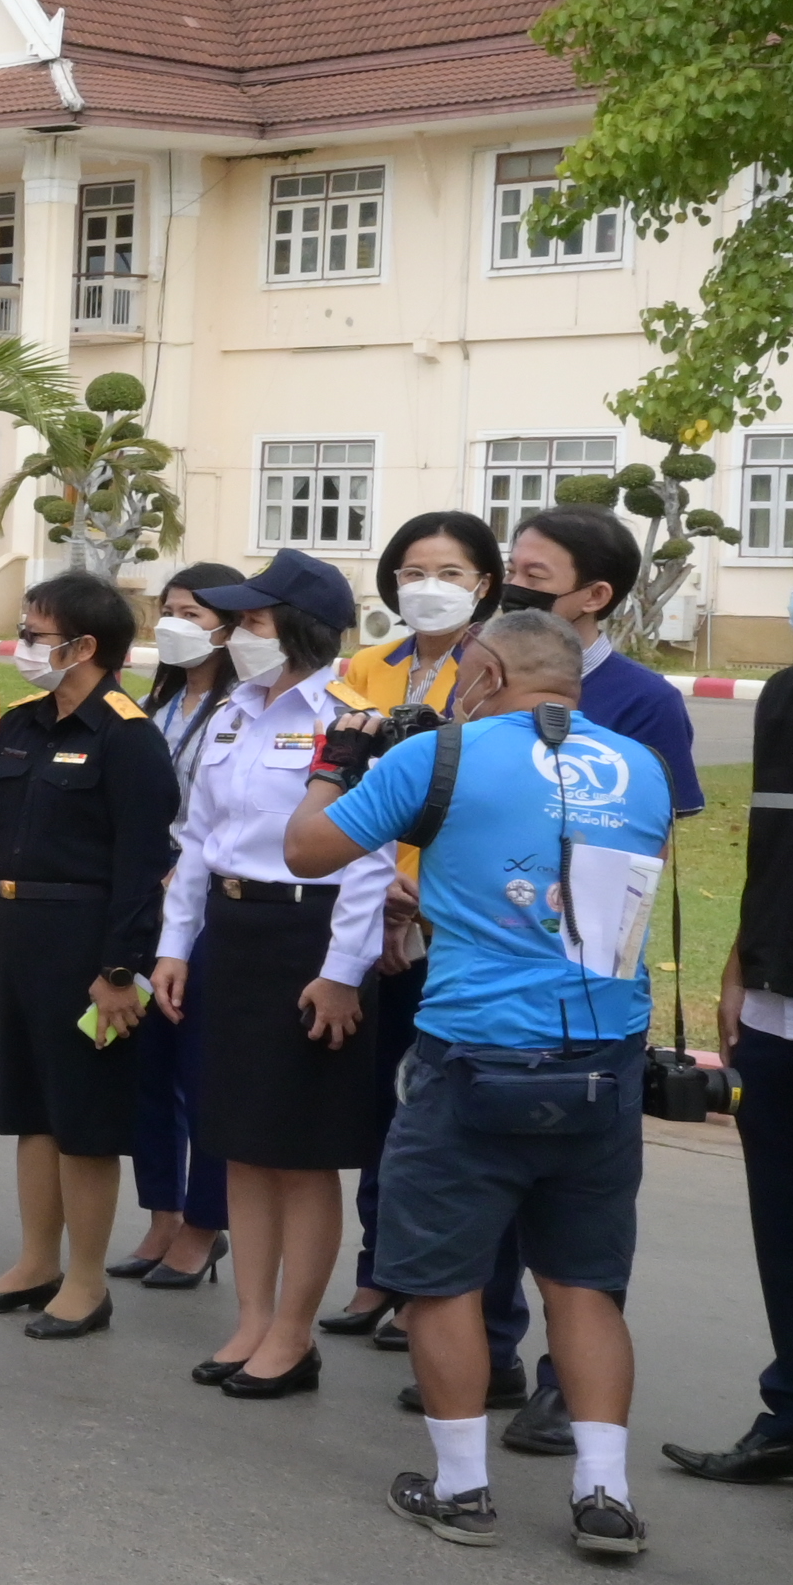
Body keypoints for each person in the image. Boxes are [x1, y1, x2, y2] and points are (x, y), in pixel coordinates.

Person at [292, 608, 665, 1556]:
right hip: (603, 1057)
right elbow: (587, 898)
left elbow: (307, 849)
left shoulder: (439, 757)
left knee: (442, 1279)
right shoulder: (642, 766)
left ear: (490, 672)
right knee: (584, 1284)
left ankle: (461, 1489)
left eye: (465, 671)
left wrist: (338, 759)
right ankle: (606, 1493)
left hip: (473, 1054)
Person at [474, 503, 710, 1456]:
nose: (511, 585)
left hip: (583, 982)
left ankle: (567, 1388)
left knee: (576, 1207)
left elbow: (650, 846)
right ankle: (484, 1347)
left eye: (534, 575)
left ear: (594, 595)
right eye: (511, 568)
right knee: (476, 1176)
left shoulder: (642, 701)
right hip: (479, 971)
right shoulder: (484, 669)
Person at [149, 547, 388, 1396]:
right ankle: (251, 1321)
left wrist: (344, 971)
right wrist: (175, 946)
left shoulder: (351, 722)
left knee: (299, 1151)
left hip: (307, 939)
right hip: (233, 932)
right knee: (239, 1144)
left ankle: (293, 1334)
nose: (237, 634)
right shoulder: (233, 711)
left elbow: (367, 860)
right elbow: (197, 840)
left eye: (252, 620)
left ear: (298, 629)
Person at [0, 573, 179, 1335]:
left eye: (36, 633)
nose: (23, 644)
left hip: (86, 938)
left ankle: (86, 1281)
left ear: (84, 646)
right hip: (19, 929)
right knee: (32, 1108)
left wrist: (119, 970)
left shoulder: (127, 735)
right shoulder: (22, 723)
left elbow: (143, 865)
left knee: (83, 1116)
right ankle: (35, 1262)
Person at [321, 511, 504, 1346]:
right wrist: (377, 896)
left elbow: (481, 798)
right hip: (369, 900)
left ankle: (434, 1287)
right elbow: (349, 781)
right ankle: (378, 1272)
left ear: (485, 584)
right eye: (413, 572)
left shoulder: (493, 670)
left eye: (450, 572)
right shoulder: (370, 666)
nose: (429, 587)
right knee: (376, 1106)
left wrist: (420, 899)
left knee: (435, 1114)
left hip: (450, 917)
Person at [669, 522, 793, 1507]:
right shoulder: (791, 696)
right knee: (788, 1228)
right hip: (770, 1002)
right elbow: (770, 848)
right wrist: (734, 965)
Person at [114, 566, 242, 1288]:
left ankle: (204, 1223)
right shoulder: (152, 703)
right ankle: (162, 1212)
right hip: (143, 894)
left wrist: (182, 874)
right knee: (147, 1066)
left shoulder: (243, 710)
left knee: (202, 1066)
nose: (174, 624)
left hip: (204, 897)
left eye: (192, 613)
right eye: (168, 610)